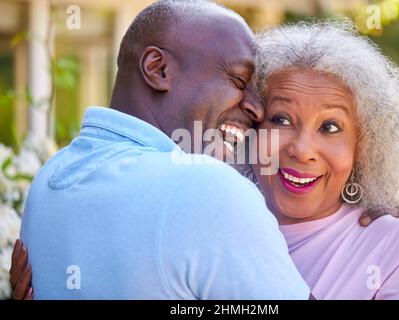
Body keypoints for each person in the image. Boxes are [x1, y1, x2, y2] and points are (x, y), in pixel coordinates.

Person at [15, 0, 311, 299]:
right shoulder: (206, 186)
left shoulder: (48, 178)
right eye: (238, 80)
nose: (256, 108)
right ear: (157, 68)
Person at [250, 20, 399, 299]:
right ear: (249, 126)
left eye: (330, 127)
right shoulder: (207, 222)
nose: (302, 149)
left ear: (365, 146)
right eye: (281, 119)